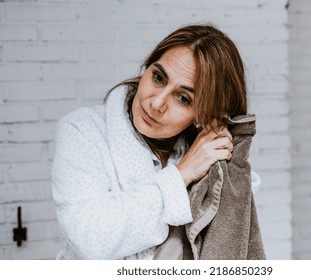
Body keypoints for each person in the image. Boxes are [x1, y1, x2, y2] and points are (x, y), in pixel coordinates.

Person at [51, 23, 261, 260]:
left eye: (183, 98)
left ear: (202, 115)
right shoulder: (83, 130)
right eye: (159, 77)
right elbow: (89, 239)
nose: (157, 103)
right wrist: (181, 174)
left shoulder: (210, 158)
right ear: (146, 68)